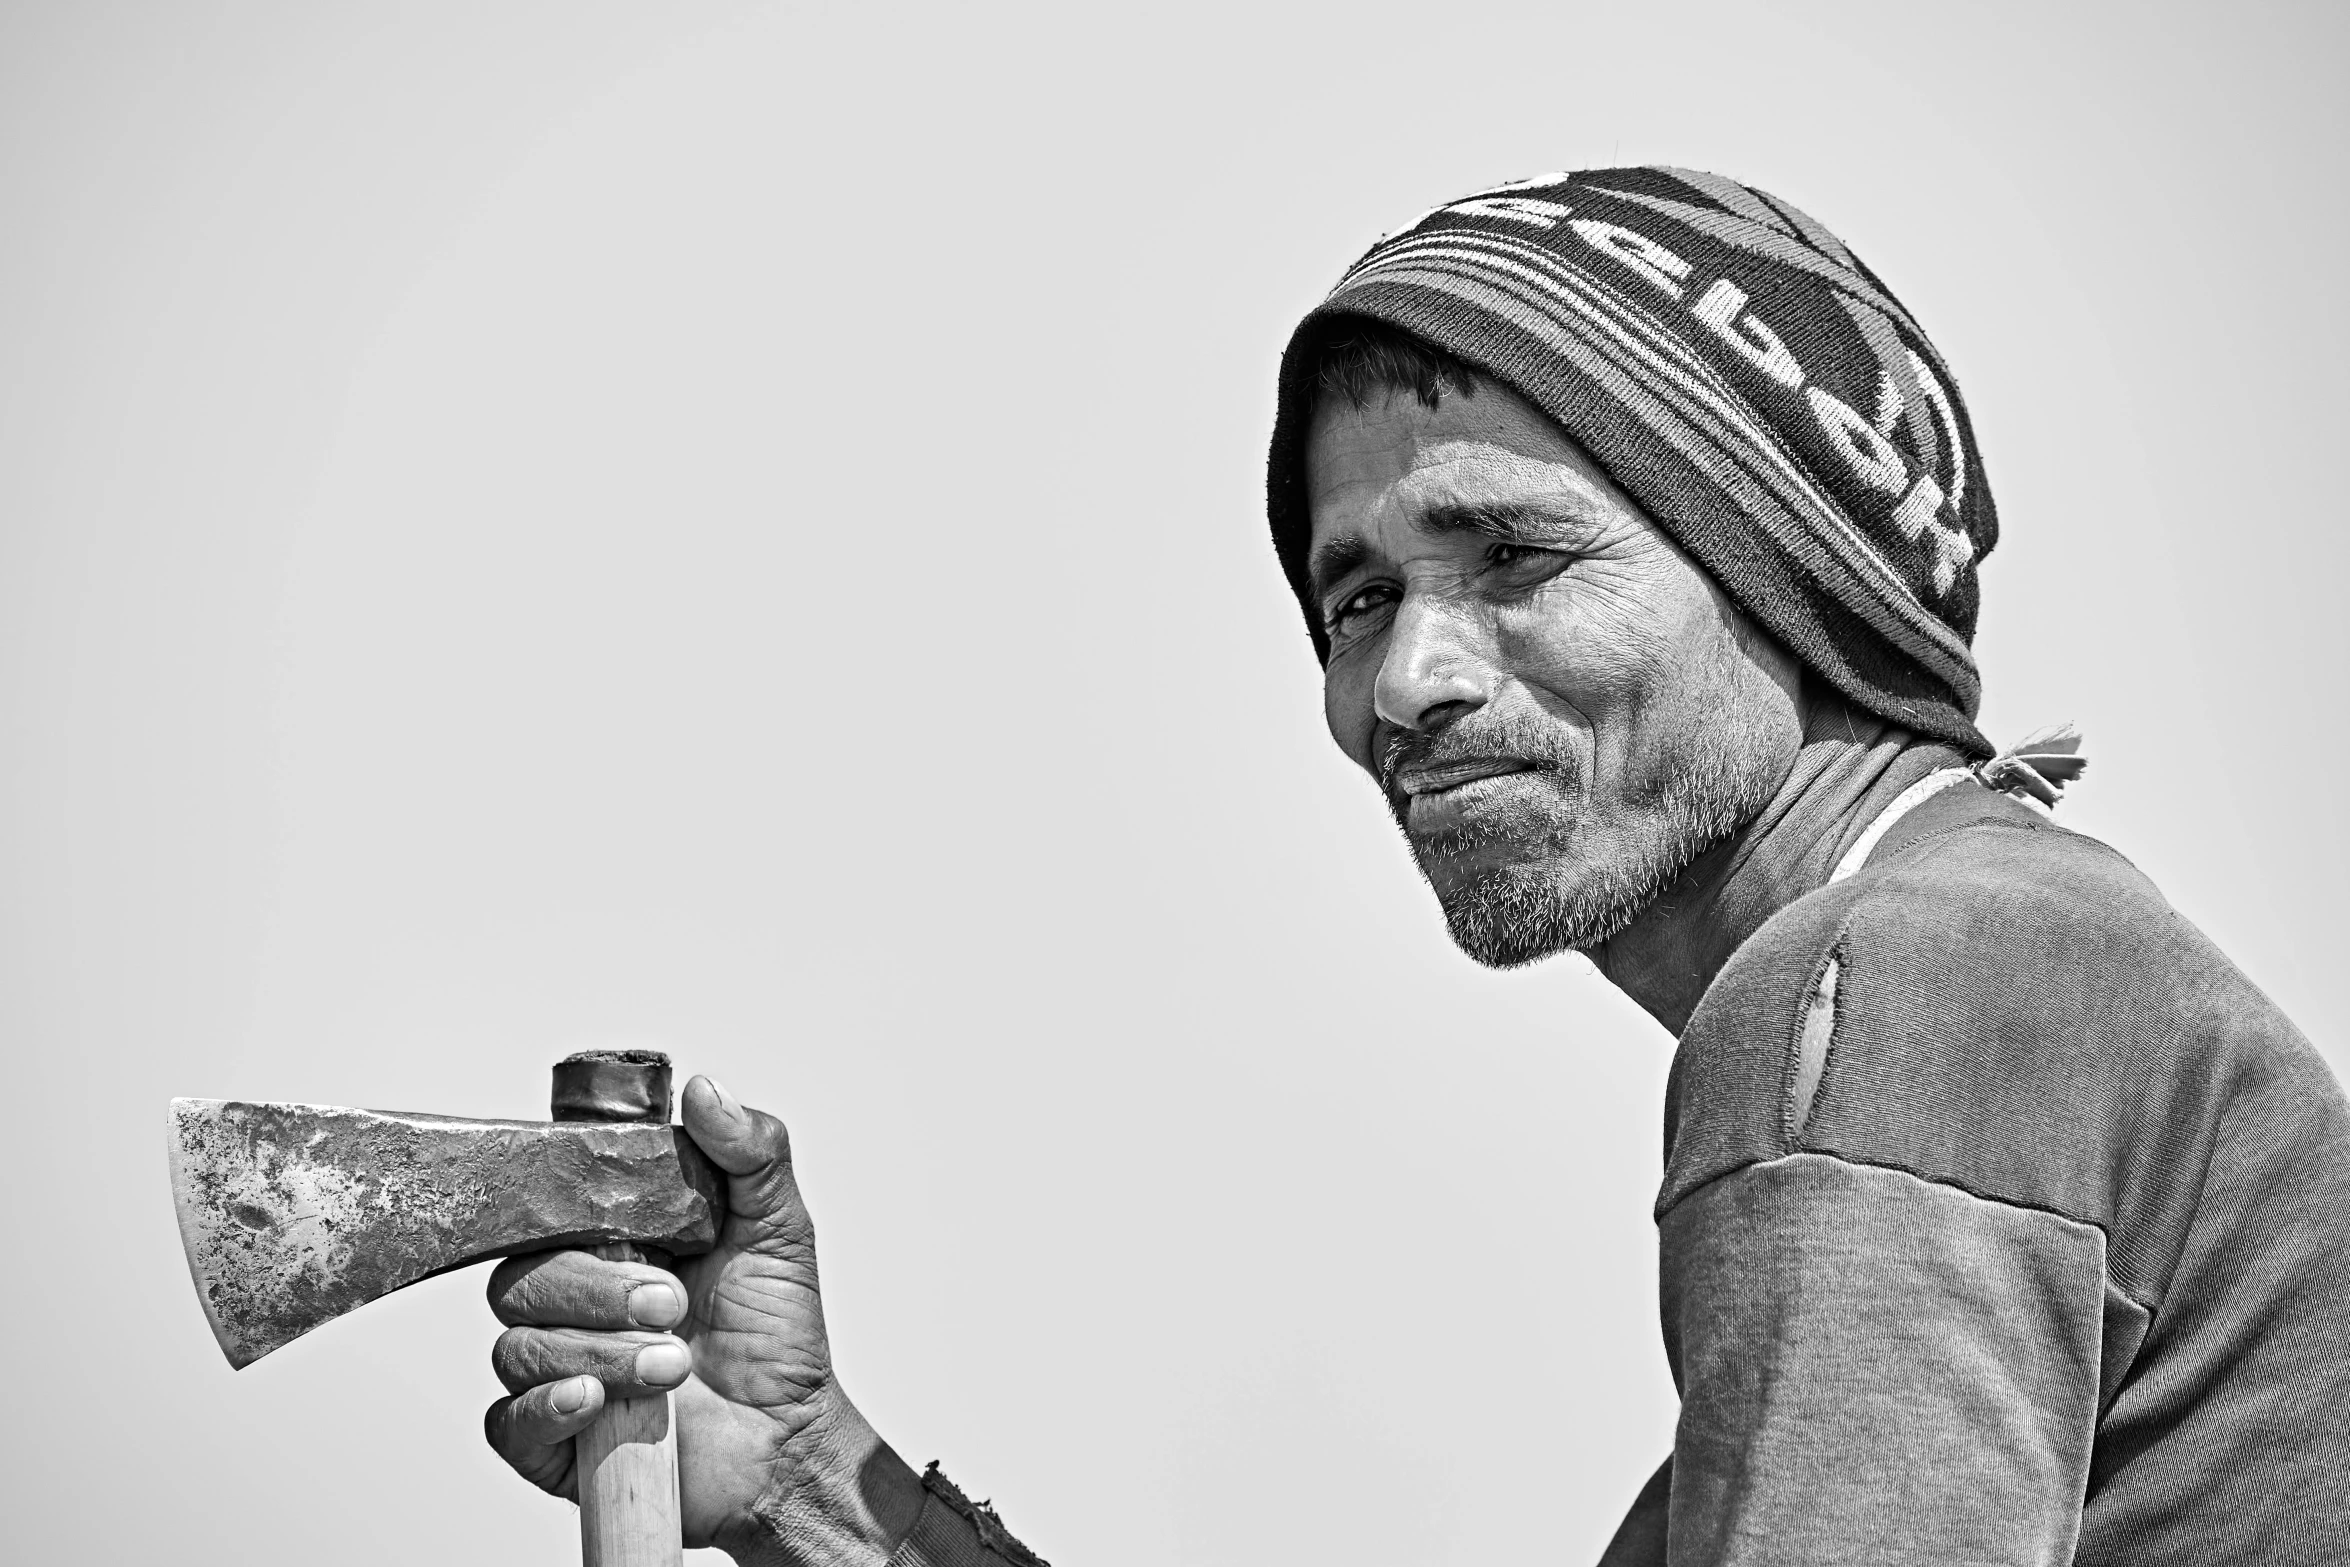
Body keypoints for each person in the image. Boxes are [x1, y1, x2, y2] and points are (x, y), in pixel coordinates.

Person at [477, 168, 2350, 1564]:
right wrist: (806, 1469)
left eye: (1513, 561)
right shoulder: (2015, 959)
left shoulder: (1884, 989)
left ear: (1789, 580)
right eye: (1351, 594)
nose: (1405, 680)